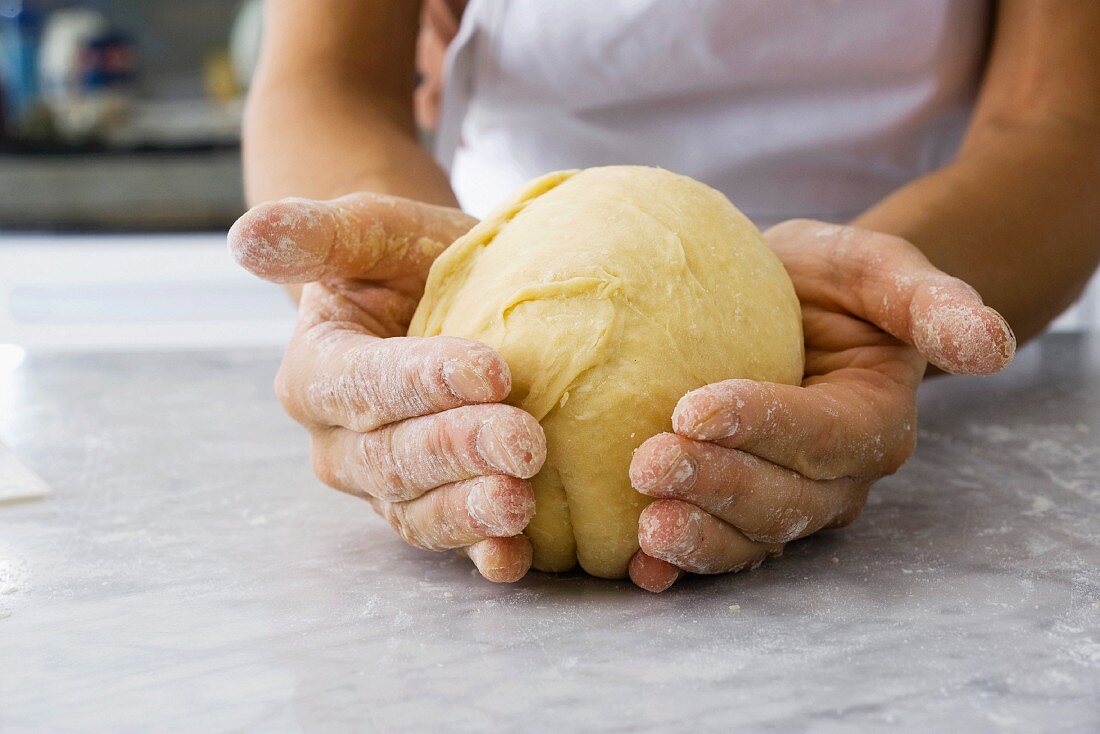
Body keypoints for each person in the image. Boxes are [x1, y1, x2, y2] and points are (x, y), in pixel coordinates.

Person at [227, 1, 1100, 592]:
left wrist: (894, 299)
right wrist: (389, 272)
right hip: (495, 260)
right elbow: (328, 80)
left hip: (936, 246)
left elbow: (1059, 121)